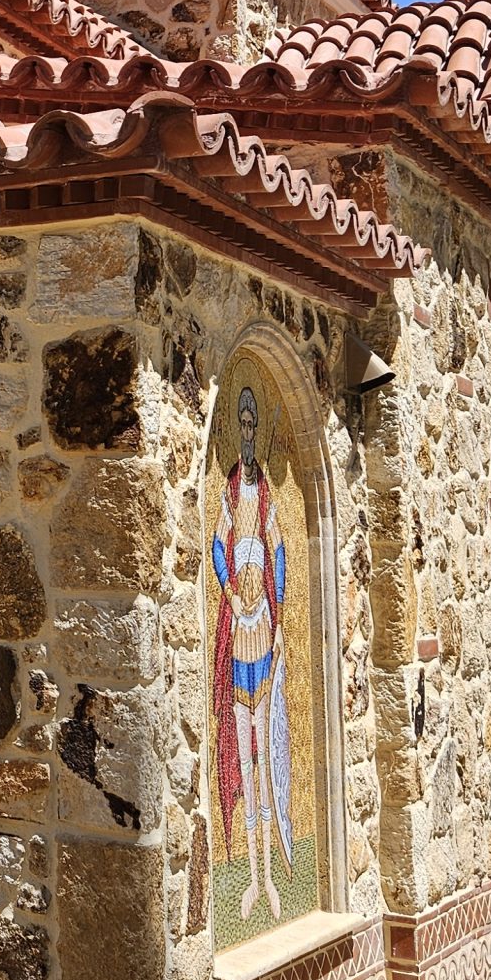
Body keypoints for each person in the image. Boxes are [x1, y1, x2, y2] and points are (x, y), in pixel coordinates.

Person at [211, 386, 296, 920]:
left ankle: (270, 879)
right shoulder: (228, 487)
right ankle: (251, 879)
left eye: (251, 423)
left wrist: (278, 615)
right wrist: (228, 589)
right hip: (238, 628)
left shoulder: (263, 491)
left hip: (262, 630)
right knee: (243, 758)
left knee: (264, 759)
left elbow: (279, 548)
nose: (246, 431)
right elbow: (218, 545)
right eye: (240, 423)